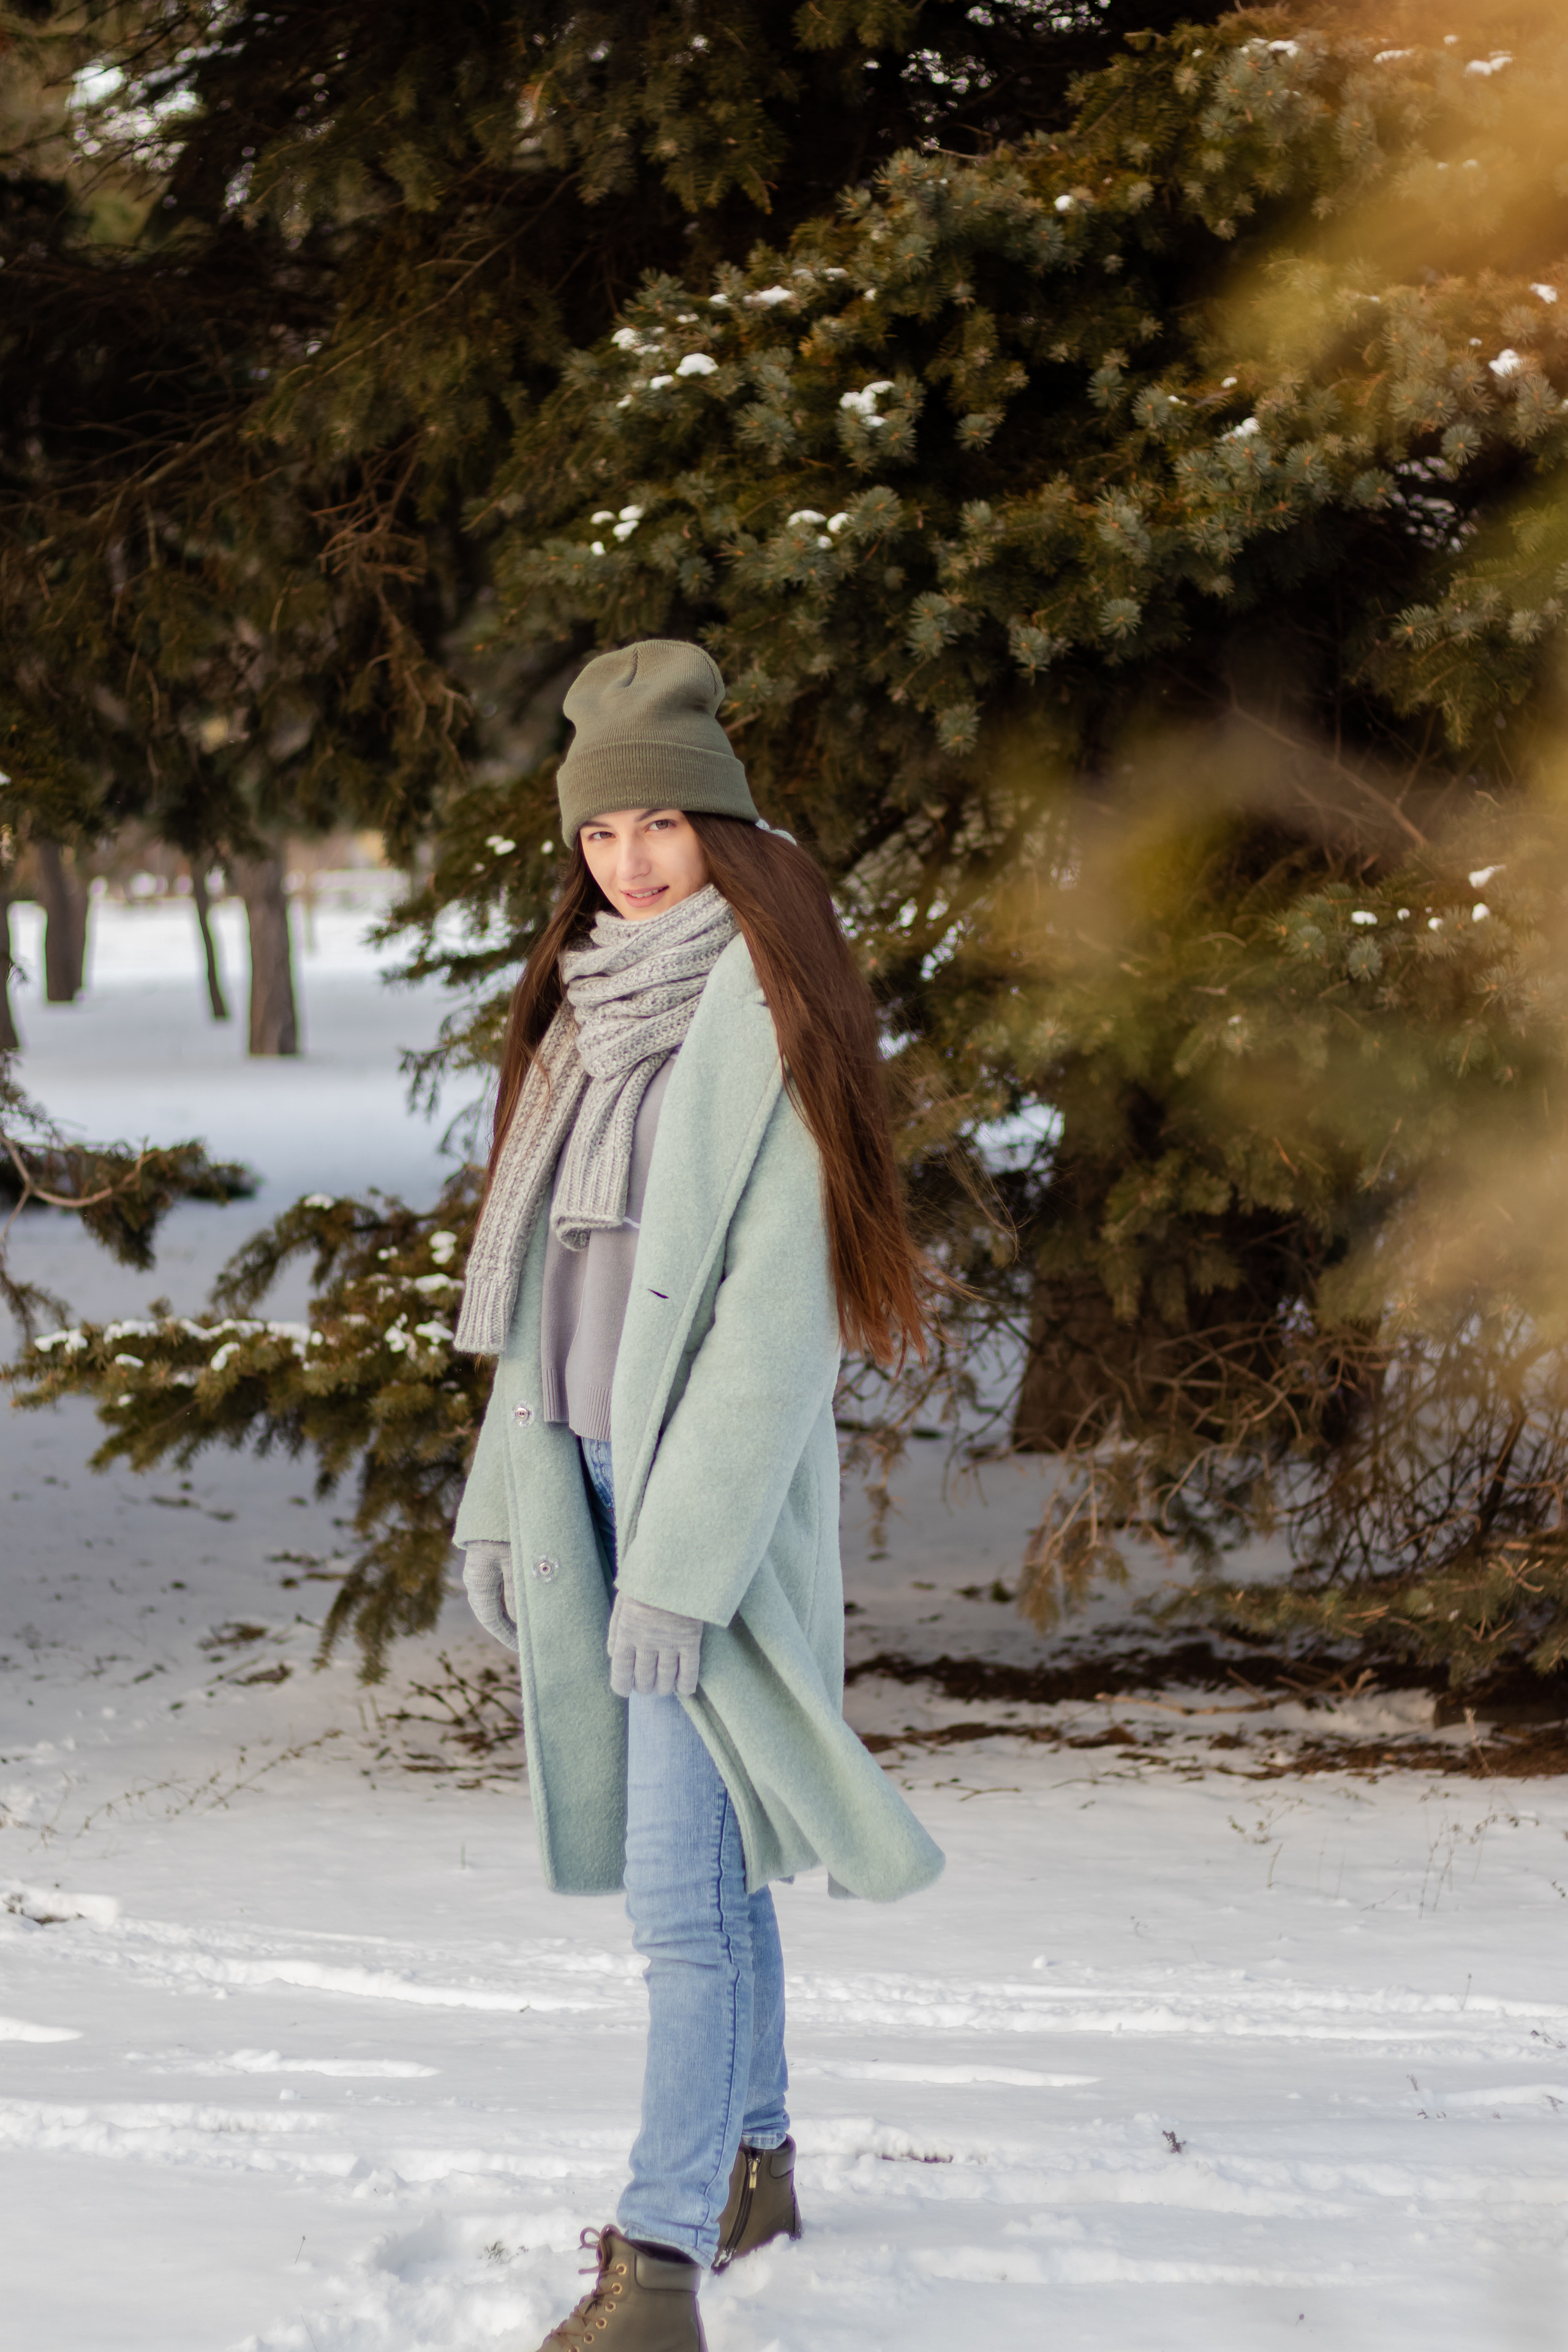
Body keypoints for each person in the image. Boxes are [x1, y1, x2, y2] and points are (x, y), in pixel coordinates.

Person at [453, 638, 944, 2351]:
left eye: (662, 828)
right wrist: (507, 1509)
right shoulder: (586, 1019)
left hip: (695, 1520)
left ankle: (655, 2260)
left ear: (720, 832)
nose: (633, 865)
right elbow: (531, 1308)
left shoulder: (766, 1011)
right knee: (712, 1878)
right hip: (578, 1482)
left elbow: (770, 1334)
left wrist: (677, 1569)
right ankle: (756, 2163)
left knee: (680, 1898)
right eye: (603, 839)